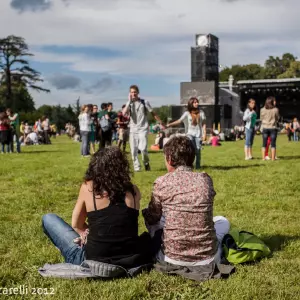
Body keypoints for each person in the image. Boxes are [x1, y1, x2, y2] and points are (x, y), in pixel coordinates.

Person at [42, 147, 152, 267]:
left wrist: (88, 234)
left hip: (93, 261)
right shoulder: (134, 191)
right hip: (129, 257)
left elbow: (76, 225)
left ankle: (67, 248)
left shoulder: (88, 188)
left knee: (48, 218)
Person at [143, 136, 230, 268]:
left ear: (169, 159)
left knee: (154, 217)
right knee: (223, 221)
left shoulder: (162, 182)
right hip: (208, 258)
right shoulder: (205, 180)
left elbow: (152, 218)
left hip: (171, 257)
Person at [123, 85, 162, 172]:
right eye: (132, 92)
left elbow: (153, 113)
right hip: (133, 129)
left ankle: (146, 162)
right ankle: (137, 168)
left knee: (143, 148)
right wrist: (129, 101)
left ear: (138, 92)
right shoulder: (129, 103)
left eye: (135, 92)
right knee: (133, 151)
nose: (133, 94)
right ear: (130, 93)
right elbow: (123, 113)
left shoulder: (144, 102)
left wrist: (160, 122)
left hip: (143, 128)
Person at [167, 97, 206, 169]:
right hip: (189, 134)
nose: (196, 103)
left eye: (197, 102)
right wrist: (169, 125)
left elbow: (203, 124)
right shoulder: (187, 113)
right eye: (194, 102)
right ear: (191, 104)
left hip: (198, 135)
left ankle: (198, 166)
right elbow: (179, 121)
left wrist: (204, 134)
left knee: (198, 151)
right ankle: (189, 165)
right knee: (190, 150)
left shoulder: (201, 112)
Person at [260, 97, 280, 161]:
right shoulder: (276, 109)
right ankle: (273, 159)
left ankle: (263, 158)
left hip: (265, 127)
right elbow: (277, 118)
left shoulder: (262, 109)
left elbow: (261, 119)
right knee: (273, 144)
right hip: (273, 127)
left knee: (264, 144)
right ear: (271, 102)